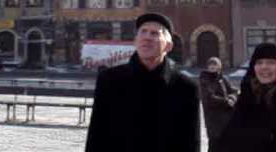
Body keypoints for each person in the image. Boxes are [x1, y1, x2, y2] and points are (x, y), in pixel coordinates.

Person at [85, 13, 200, 152]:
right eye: (143, 32)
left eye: (155, 33)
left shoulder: (186, 87)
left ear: (168, 46)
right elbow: (96, 136)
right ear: (135, 41)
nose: (147, 37)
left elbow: (190, 143)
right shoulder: (110, 80)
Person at [217, 43, 276, 152]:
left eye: (271, 62)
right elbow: (228, 137)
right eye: (259, 62)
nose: (264, 67)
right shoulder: (248, 97)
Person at [199, 57, 238, 152]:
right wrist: (226, 101)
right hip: (213, 118)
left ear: (219, 66)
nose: (212, 66)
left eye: (214, 64)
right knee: (214, 144)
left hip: (226, 118)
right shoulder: (205, 79)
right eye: (210, 65)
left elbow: (233, 91)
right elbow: (209, 98)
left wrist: (233, 97)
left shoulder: (222, 78)